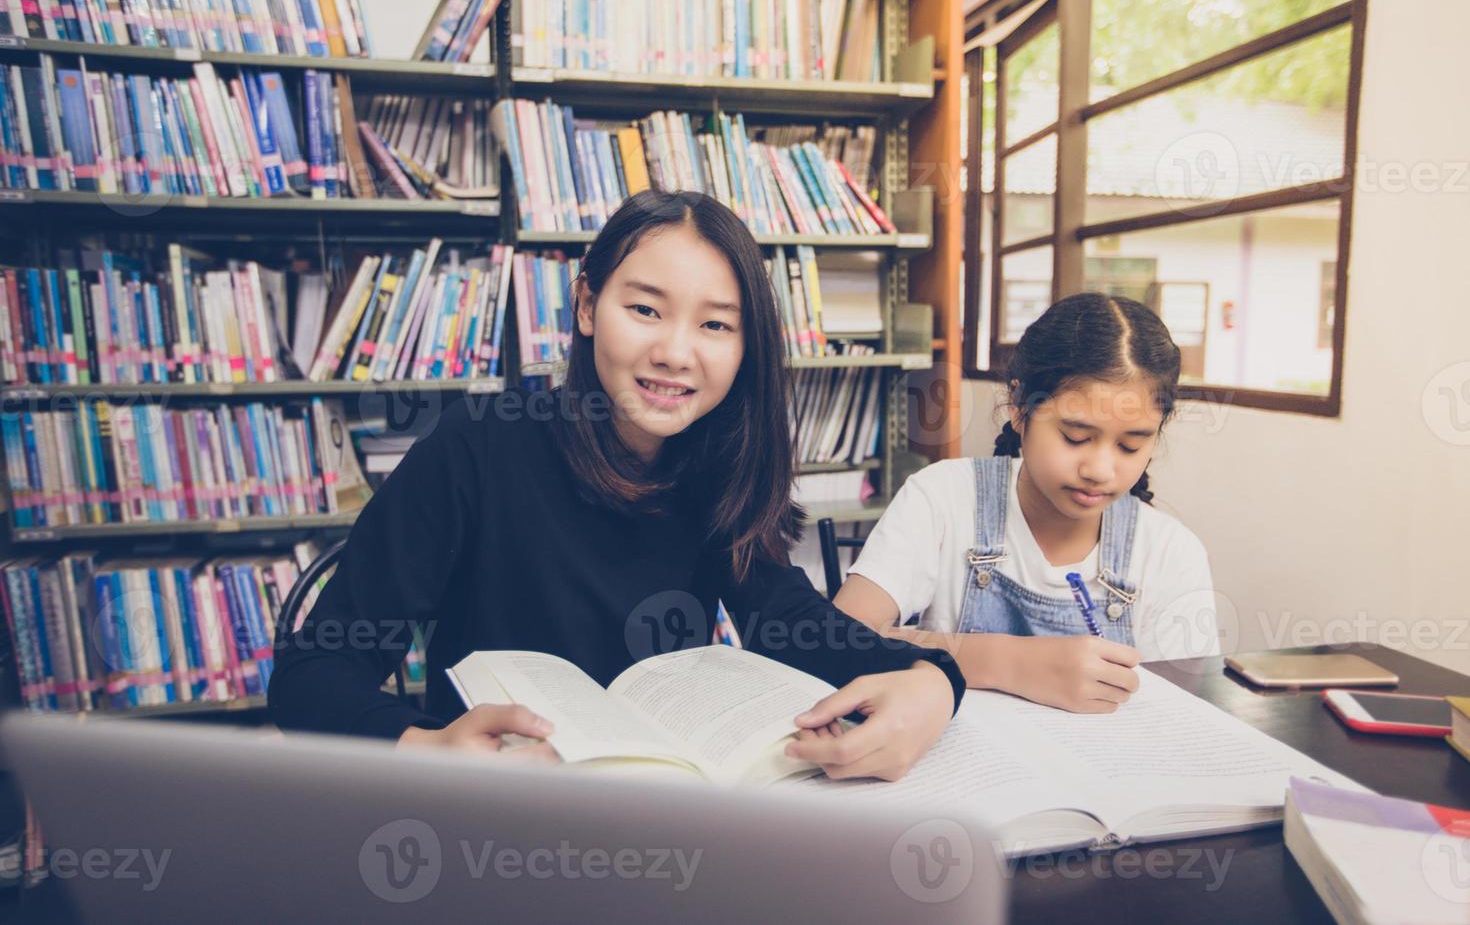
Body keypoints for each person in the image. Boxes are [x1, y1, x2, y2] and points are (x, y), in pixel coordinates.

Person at [269, 189, 964, 781]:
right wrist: (427, 748)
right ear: (585, 306)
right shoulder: (476, 445)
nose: (674, 351)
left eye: (716, 324)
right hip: (498, 814)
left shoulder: (716, 460)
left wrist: (935, 684)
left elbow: (789, 621)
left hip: (659, 814)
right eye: (646, 310)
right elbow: (313, 673)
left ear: (746, 346)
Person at [834, 292, 1218, 713]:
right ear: (1019, 409)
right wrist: (1010, 663)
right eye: (1075, 437)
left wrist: (922, 645)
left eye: (1130, 445)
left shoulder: (1169, 552)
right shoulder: (944, 497)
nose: (1100, 470)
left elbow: (1182, 711)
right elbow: (841, 635)